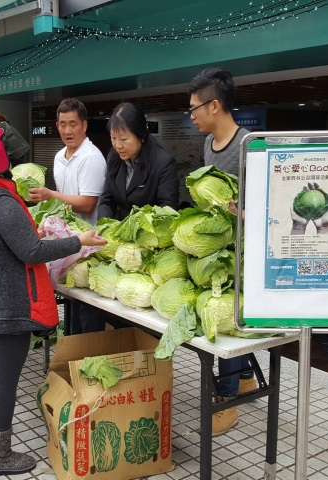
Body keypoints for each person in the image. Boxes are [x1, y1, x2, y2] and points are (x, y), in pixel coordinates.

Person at [0, 122, 106, 476]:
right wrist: (78, 241)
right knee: (6, 379)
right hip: (7, 305)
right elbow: (33, 251)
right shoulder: (1, 201)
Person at [186, 66, 256, 436]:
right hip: (217, 252)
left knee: (222, 324)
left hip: (242, 257)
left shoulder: (250, 145)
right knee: (225, 322)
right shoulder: (207, 146)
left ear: (215, 105)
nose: (192, 115)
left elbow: (269, 205)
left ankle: (226, 402)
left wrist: (237, 212)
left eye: (195, 107)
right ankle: (244, 378)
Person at [29, 98, 106, 226]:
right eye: (63, 125)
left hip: (88, 236)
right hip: (66, 233)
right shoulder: (59, 156)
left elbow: (88, 205)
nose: (67, 131)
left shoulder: (91, 157)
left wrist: (50, 195)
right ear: (58, 126)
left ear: (84, 125)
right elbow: (62, 197)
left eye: (73, 124)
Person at [98, 102, 179, 220]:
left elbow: (168, 208)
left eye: (124, 139)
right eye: (113, 138)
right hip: (121, 234)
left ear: (142, 136)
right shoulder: (114, 158)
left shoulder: (163, 162)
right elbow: (106, 201)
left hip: (151, 234)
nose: (118, 145)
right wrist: (104, 226)